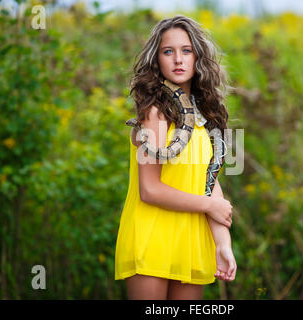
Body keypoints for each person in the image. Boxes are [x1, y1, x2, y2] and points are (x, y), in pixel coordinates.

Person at [115, 14, 237, 300]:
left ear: (198, 58)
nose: (178, 60)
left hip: (192, 240)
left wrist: (222, 242)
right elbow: (149, 190)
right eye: (168, 51)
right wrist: (209, 205)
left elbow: (207, 180)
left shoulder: (203, 118)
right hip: (152, 235)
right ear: (156, 60)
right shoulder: (155, 113)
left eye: (186, 51)